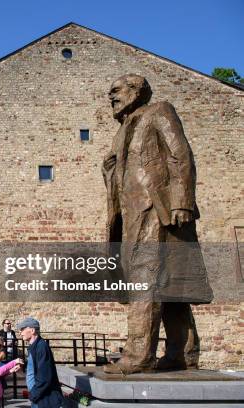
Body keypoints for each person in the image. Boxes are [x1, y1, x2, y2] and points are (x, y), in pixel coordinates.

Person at [102, 74, 212, 374]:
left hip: (157, 210)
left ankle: (139, 355)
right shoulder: (124, 128)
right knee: (170, 286)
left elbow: (180, 154)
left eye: (117, 90)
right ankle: (183, 352)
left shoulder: (159, 111)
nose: (111, 95)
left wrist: (182, 201)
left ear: (137, 91)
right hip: (133, 215)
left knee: (146, 279)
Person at [16, 317, 63, 408]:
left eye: (22, 329)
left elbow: (44, 377)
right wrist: (24, 367)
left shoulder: (41, 347)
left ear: (32, 330)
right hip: (38, 397)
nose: (20, 333)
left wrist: (33, 395)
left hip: (43, 399)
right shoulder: (34, 347)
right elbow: (35, 369)